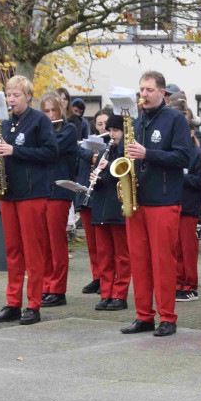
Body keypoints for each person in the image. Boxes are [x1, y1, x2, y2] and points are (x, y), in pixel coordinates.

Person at [119, 70, 192, 338]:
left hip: (163, 200)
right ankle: (143, 316)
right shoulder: (136, 122)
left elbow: (184, 157)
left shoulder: (175, 120)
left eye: (149, 90)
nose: (144, 95)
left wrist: (148, 153)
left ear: (162, 92)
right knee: (138, 261)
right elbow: (125, 156)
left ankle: (168, 318)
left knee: (163, 261)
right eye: (141, 90)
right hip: (137, 200)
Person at [0, 76, 59, 326]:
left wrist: (14, 151)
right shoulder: (7, 123)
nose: (11, 100)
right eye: (8, 95)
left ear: (28, 96)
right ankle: (12, 303)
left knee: (33, 251)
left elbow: (51, 153)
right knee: (13, 251)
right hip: (10, 192)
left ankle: (34, 304)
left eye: (16, 95)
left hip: (32, 193)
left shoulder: (40, 120)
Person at [37, 92, 77, 308]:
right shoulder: (40, 131)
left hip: (59, 191)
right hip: (41, 190)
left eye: (54, 110)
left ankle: (58, 289)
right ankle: (45, 286)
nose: (51, 115)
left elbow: (50, 151)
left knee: (56, 242)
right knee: (43, 242)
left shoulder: (69, 129)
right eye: (46, 111)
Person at [89, 114, 131, 311]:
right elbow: (102, 183)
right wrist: (96, 178)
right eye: (110, 130)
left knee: (122, 256)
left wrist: (109, 168)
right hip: (101, 210)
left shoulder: (125, 153)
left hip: (117, 208)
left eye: (116, 131)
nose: (112, 134)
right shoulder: (106, 151)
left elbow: (126, 177)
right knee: (104, 256)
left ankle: (120, 295)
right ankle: (106, 293)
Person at [78, 109, 110, 295]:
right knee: (92, 243)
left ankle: (107, 278)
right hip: (86, 196)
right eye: (99, 124)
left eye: (106, 124)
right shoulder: (89, 144)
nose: (103, 127)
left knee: (104, 243)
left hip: (103, 198)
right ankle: (97, 276)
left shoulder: (113, 145)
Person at [175, 111, 201, 303]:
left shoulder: (197, 154)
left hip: (189, 207)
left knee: (188, 249)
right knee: (175, 248)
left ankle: (190, 285)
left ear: (192, 133)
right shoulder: (176, 153)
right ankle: (178, 282)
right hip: (173, 204)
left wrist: (181, 177)